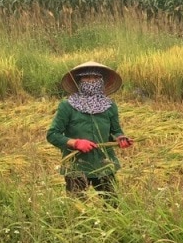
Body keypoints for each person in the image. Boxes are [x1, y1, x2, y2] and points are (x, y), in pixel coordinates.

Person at [46, 61, 132, 198]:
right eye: (87, 78)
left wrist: (120, 138)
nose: (91, 81)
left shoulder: (110, 106)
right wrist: (75, 143)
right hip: (77, 166)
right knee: (77, 207)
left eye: (96, 78)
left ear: (102, 81)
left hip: (104, 164)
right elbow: (52, 134)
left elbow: (115, 131)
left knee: (112, 205)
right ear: (79, 81)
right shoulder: (67, 106)